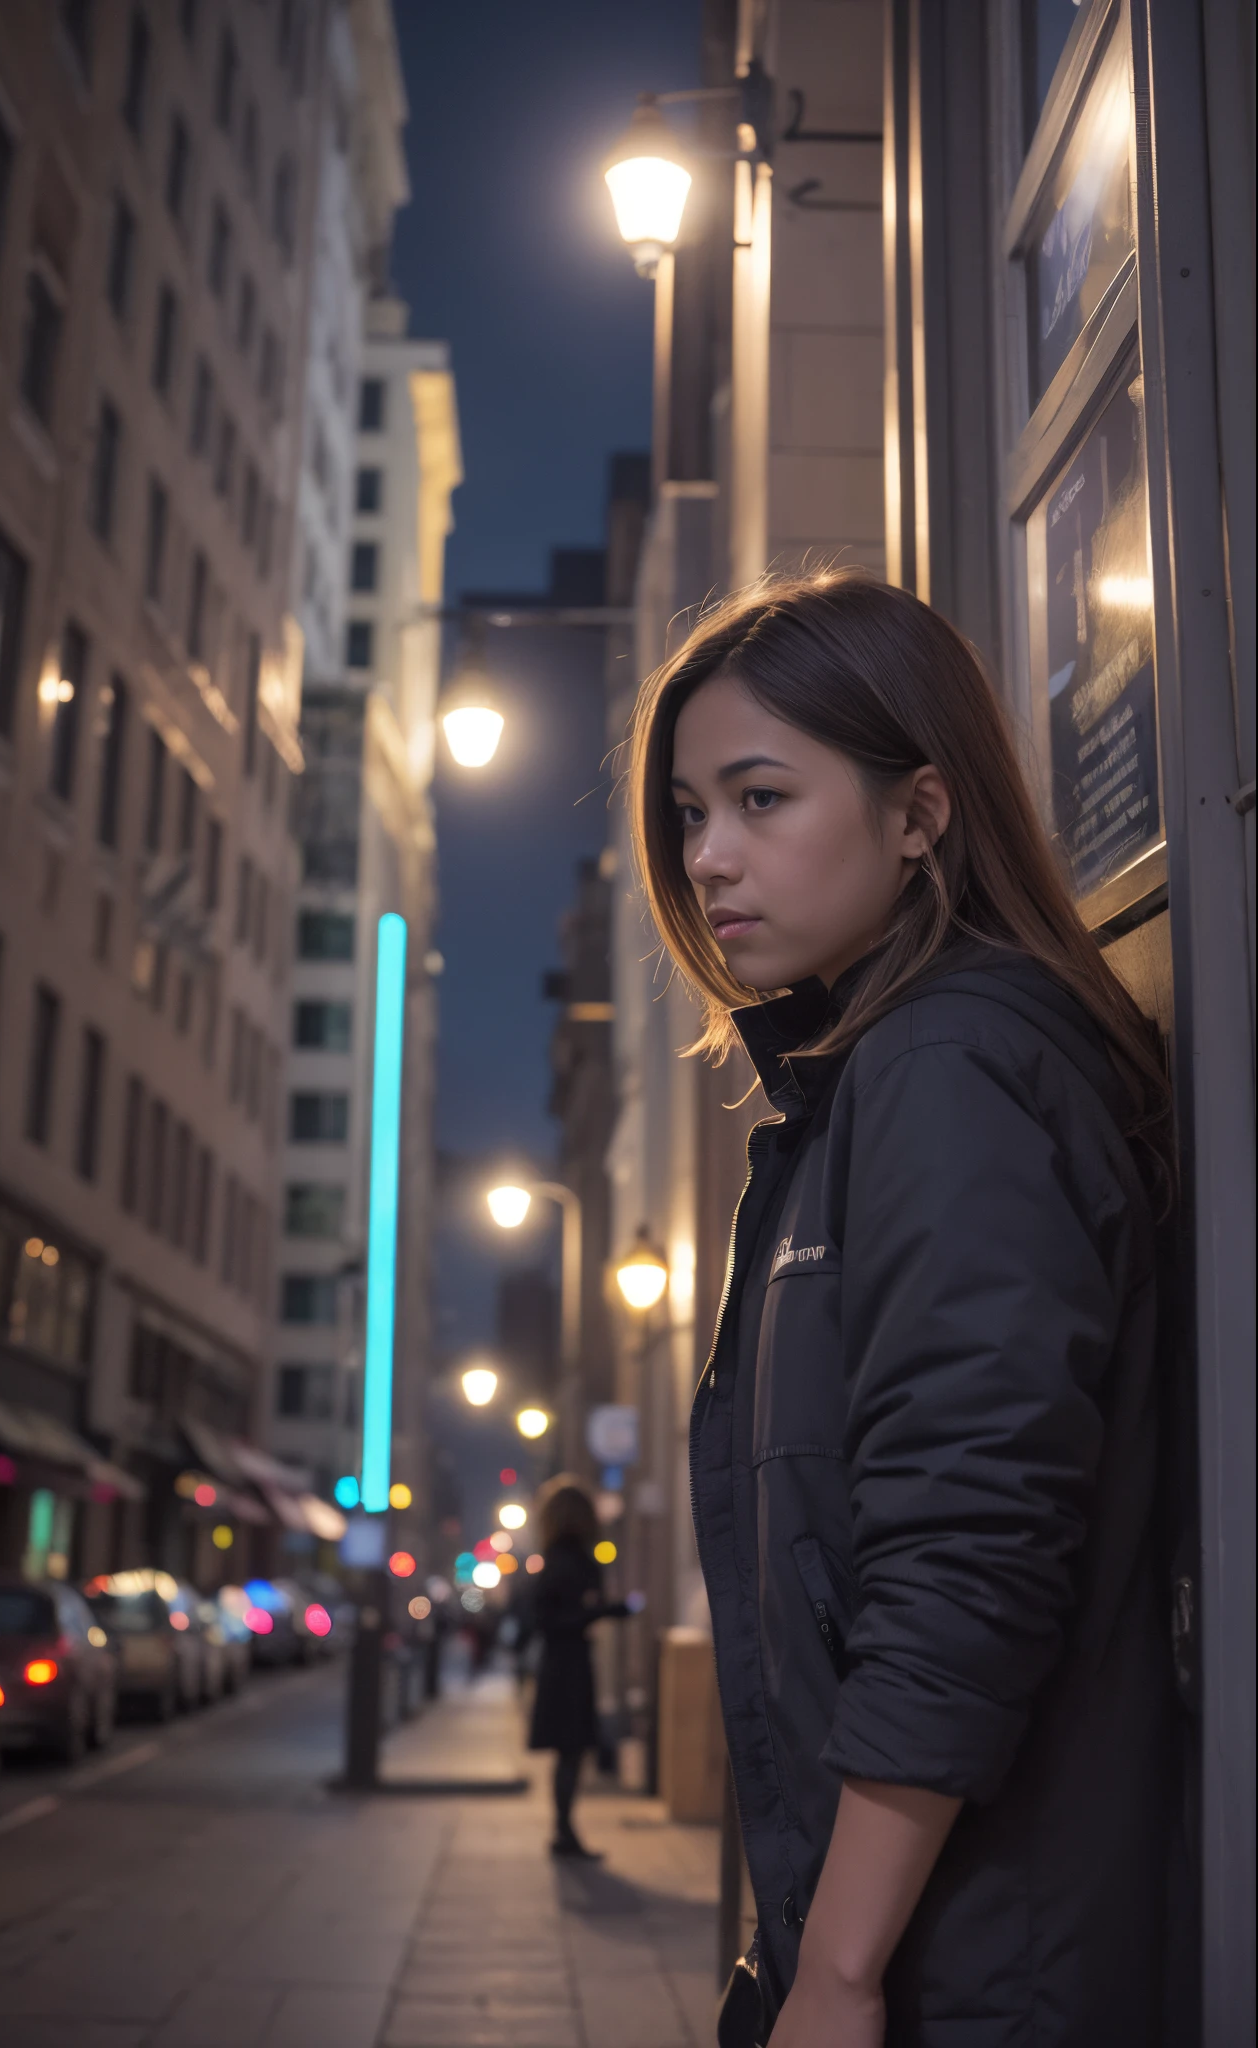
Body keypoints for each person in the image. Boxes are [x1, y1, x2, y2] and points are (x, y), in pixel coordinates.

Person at [627, 570, 1175, 2046]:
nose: (709, 861)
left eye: (760, 799)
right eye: (688, 814)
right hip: (923, 1934)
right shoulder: (867, 1085)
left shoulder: (954, 1068)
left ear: (921, 812)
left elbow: (970, 1544)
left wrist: (843, 1970)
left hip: (981, 1960)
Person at [527, 1474, 630, 1859]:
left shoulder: (555, 1557)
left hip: (560, 1663)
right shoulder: (572, 1561)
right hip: (568, 1664)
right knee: (571, 1750)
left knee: (569, 1751)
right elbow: (553, 1617)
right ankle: (564, 1832)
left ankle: (564, 1830)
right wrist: (600, 1611)